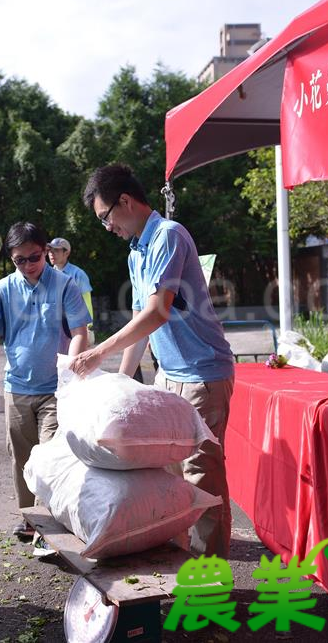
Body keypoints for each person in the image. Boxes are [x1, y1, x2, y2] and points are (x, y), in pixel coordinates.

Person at [69, 164, 235, 558]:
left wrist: (98, 352)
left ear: (125, 202)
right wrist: (121, 381)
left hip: (201, 375)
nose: (107, 228)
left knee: (201, 475)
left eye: (106, 217)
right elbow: (141, 325)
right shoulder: (135, 252)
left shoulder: (168, 236)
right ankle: (182, 565)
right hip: (169, 375)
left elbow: (158, 312)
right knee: (169, 477)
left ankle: (211, 578)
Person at [0, 222, 91, 538]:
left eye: (34, 257)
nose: (27, 265)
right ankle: (29, 519)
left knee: (50, 458)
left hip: (55, 389)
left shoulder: (65, 285)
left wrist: (71, 370)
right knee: (21, 458)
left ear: (46, 251)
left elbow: (80, 332)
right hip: (17, 389)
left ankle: (47, 526)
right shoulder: (2, 290)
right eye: (19, 260)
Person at [47, 237, 94, 353]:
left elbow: (86, 300)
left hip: (74, 329)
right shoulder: (46, 275)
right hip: (52, 330)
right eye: (50, 251)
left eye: (56, 250)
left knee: (73, 365)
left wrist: (87, 326)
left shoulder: (78, 274)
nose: (52, 254)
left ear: (66, 252)